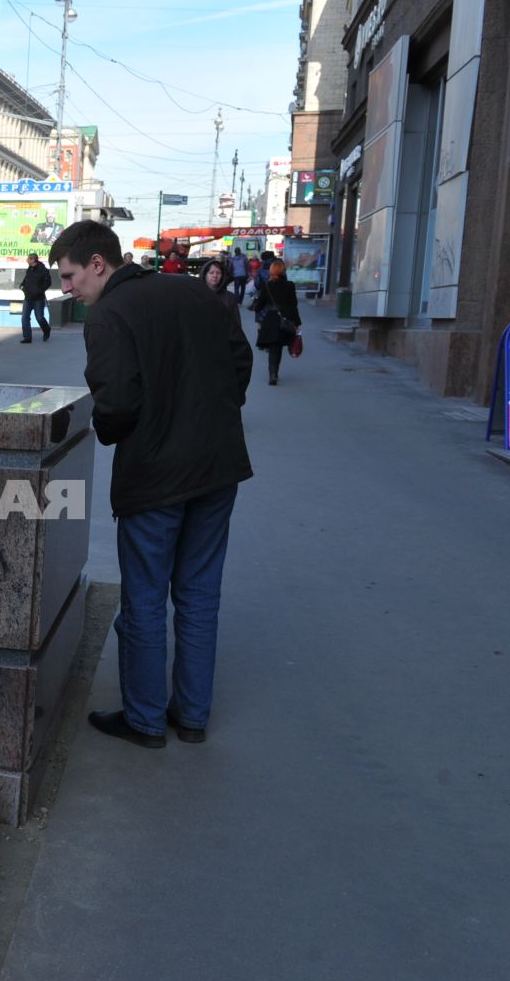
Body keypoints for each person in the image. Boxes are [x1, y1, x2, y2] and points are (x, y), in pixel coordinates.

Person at [52, 220, 253, 749]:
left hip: (155, 477)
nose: (67, 288)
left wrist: (118, 433)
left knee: (144, 599)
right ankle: (191, 716)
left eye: (70, 276)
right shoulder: (194, 290)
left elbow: (115, 402)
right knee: (199, 595)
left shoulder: (110, 314)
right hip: (218, 467)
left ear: (98, 263)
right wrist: (212, 415)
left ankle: (144, 719)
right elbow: (239, 362)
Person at [257, 258, 302, 385]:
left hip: (271, 319)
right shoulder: (289, 285)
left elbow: (259, 306)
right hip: (285, 319)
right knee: (279, 347)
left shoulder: (267, 285)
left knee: (273, 348)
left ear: (271, 271)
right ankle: (275, 373)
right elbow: (294, 305)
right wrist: (297, 322)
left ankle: (272, 373)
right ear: (283, 271)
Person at [20, 253, 53, 343]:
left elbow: (48, 282)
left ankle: (47, 330)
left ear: (33, 260)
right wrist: (22, 286)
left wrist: (39, 290)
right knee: (24, 318)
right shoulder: (29, 269)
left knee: (39, 318)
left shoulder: (43, 270)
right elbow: (26, 279)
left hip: (38, 299)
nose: (27, 260)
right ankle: (27, 337)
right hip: (28, 298)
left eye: (28, 259)